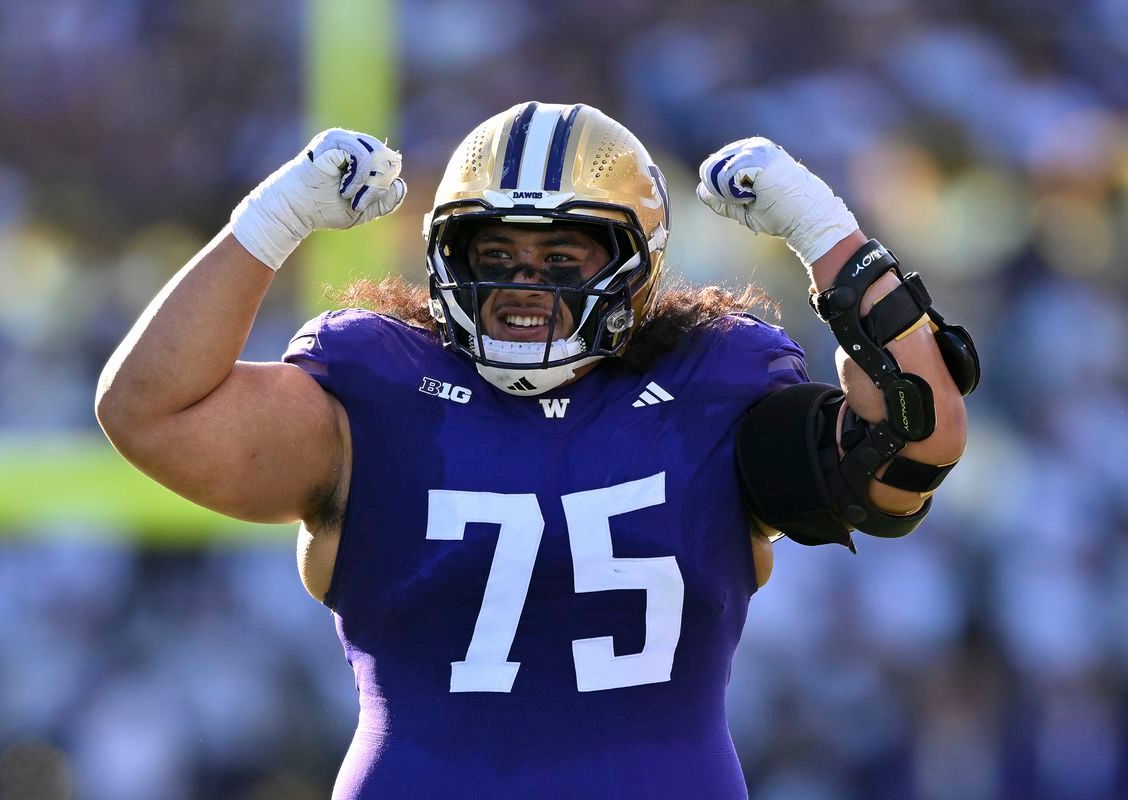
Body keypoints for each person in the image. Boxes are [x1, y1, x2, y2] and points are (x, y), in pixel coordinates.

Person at [96, 102, 975, 799]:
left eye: (561, 257)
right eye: (498, 252)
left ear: (635, 266)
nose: (524, 284)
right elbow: (150, 411)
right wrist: (272, 218)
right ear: (448, 259)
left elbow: (908, 447)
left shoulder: (715, 386)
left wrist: (825, 232)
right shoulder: (373, 391)